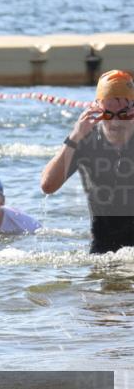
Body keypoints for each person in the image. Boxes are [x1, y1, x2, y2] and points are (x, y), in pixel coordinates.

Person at [41, 69, 134, 254]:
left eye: (123, 115)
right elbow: (47, 185)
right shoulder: (85, 141)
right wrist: (74, 136)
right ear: (96, 109)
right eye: (107, 115)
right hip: (102, 253)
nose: (115, 122)